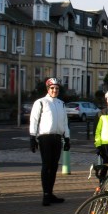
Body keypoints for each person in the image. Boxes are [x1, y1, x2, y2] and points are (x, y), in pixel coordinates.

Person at [29, 77, 71, 206]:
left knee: (54, 166)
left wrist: (67, 137)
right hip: (45, 137)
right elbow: (34, 120)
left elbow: (64, 122)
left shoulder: (61, 103)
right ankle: (45, 194)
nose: (55, 90)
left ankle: (50, 192)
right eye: (52, 88)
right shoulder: (41, 102)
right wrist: (32, 137)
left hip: (57, 137)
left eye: (57, 88)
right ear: (48, 89)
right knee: (46, 165)